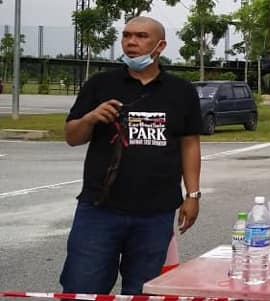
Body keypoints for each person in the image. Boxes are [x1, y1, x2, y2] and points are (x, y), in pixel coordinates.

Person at [60, 16, 202, 295]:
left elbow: (190, 144)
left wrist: (193, 195)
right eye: (126, 35)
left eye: (141, 36)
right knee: (82, 288)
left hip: (156, 213)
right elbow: (72, 137)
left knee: (144, 291)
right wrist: (90, 118)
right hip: (100, 209)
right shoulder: (100, 84)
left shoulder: (182, 91)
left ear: (160, 46)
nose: (131, 42)